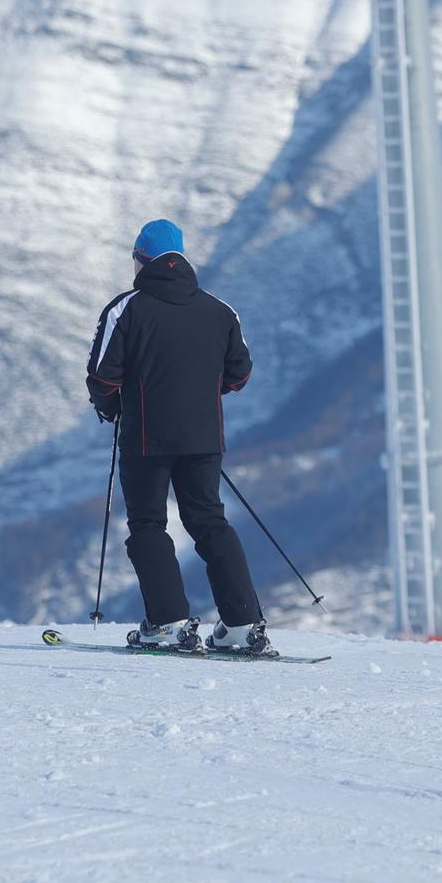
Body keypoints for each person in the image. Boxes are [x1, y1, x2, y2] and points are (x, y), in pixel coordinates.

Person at [85, 219, 268, 654]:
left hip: (146, 436)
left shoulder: (125, 308)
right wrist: (203, 394)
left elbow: (101, 376)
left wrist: (111, 408)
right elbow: (240, 374)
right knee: (209, 521)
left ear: (141, 260)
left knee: (148, 523)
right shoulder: (221, 311)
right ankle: (243, 624)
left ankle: (167, 623)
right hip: (205, 437)